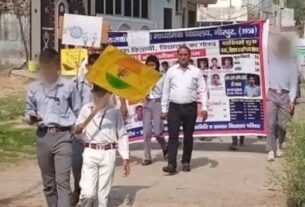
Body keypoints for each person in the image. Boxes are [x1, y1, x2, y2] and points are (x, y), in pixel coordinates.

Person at [24, 49, 81, 207]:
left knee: (62, 181)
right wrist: (31, 117)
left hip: (64, 137)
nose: (47, 71)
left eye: (50, 67)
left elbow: (77, 110)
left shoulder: (69, 86)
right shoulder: (33, 88)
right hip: (43, 137)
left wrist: (78, 127)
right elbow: (29, 109)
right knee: (49, 184)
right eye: (44, 67)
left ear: (57, 66)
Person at [74, 84, 130, 207]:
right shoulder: (86, 110)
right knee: (88, 194)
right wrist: (78, 131)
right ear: (92, 92)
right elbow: (78, 133)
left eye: (102, 92)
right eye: (97, 91)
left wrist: (125, 157)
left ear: (108, 93)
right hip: (90, 151)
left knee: (102, 195)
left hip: (108, 152)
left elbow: (122, 135)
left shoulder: (115, 112)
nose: (99, 95)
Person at [161, 45, 208, 174]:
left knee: (188, 136)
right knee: (173, 136)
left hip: (190, 108)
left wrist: (204, 108)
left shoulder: (196, 71)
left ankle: (186, 162)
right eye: (180, 54)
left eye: (185, 54)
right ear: (177, 55)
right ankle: (171, 164)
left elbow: (203, 90)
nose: (183, 57)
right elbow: (165, 91)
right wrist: (164, 109)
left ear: (189, 56)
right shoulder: (171, 71)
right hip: (174, 108)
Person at [71, 53, 100, 205]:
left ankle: (91, 194)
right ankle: (77, 188)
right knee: (76, 162)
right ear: (87, 66)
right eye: (92, 65)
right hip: (78, 130)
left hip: (96, 131)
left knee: (93, 164)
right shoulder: (76, 83)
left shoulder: (104, 86)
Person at [266, 36, 298, 161]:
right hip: (272, 94)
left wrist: (292, 100)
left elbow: (294, 83)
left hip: (285, 95)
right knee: (271, 123)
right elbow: (266, 46)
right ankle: (270, 149)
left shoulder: (291, 64)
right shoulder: (272, 59)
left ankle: (279, 146)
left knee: (283, 124)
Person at [142, 55, 168, 166]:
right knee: (147, 132)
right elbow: (140, 89)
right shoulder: (143, 76)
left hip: (158, 103)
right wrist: (144, 94)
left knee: (157, 132)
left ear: (157, 65)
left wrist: (165, 107)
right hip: (147, 104)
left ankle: (165, 147)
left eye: (153, 65)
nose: (151, 67)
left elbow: (166, 92)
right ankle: (147, 157)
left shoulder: (162, 77)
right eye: (149, 65)